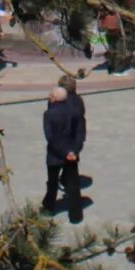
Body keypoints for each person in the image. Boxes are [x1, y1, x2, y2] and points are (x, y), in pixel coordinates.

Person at [43, 73, 88, 221]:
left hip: (56, 154)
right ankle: (76, 215)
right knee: (73, 185)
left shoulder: (50, 114)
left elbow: (51, 137)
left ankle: (49, 207)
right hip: (71, 152)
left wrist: (63, 152)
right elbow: (80, 132)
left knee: (52, 182)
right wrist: (74, 150)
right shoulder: (76, 110)